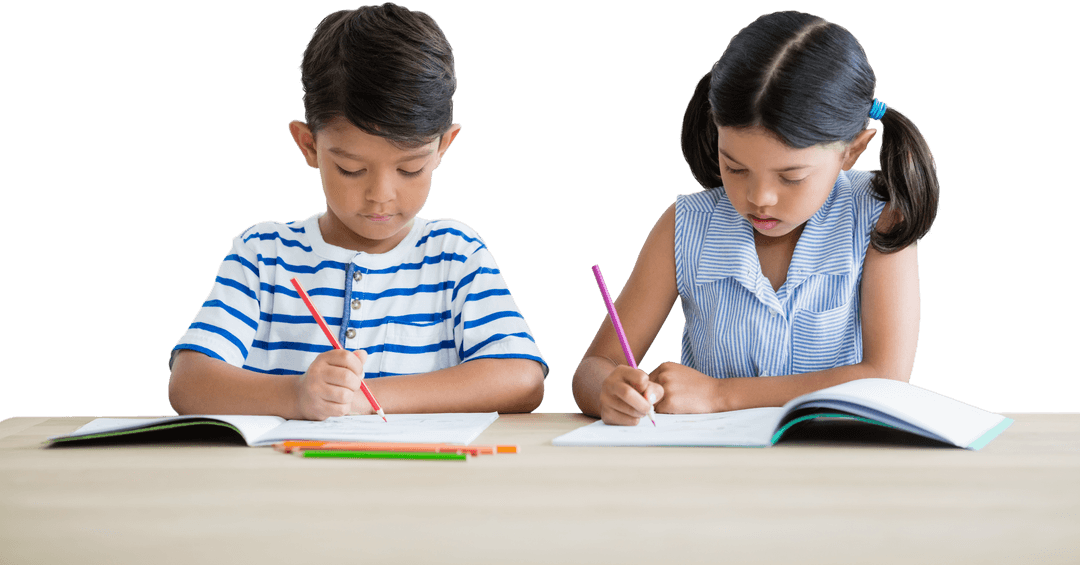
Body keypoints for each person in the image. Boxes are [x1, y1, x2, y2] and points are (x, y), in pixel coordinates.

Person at [169, 4, 546, 421]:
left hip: (424, 485)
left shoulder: (455, 254)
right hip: (282, 484)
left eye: (410, 168)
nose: (380, 195)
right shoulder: (264, 255)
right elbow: (189, 384)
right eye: (351, 169)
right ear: (308, 145)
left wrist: (365, 397)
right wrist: (297, 395)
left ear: (444, 146)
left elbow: (522, 378)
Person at [572, 11, 938, 425]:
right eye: (735, 168)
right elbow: (593, 366)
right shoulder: (686, 226)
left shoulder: (879, 218)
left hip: (837, 466)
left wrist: (720, 394)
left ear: (852, 151)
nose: (758, 198)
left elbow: (886, 378)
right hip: (714, 472)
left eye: (791, 177)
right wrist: (610, 389)